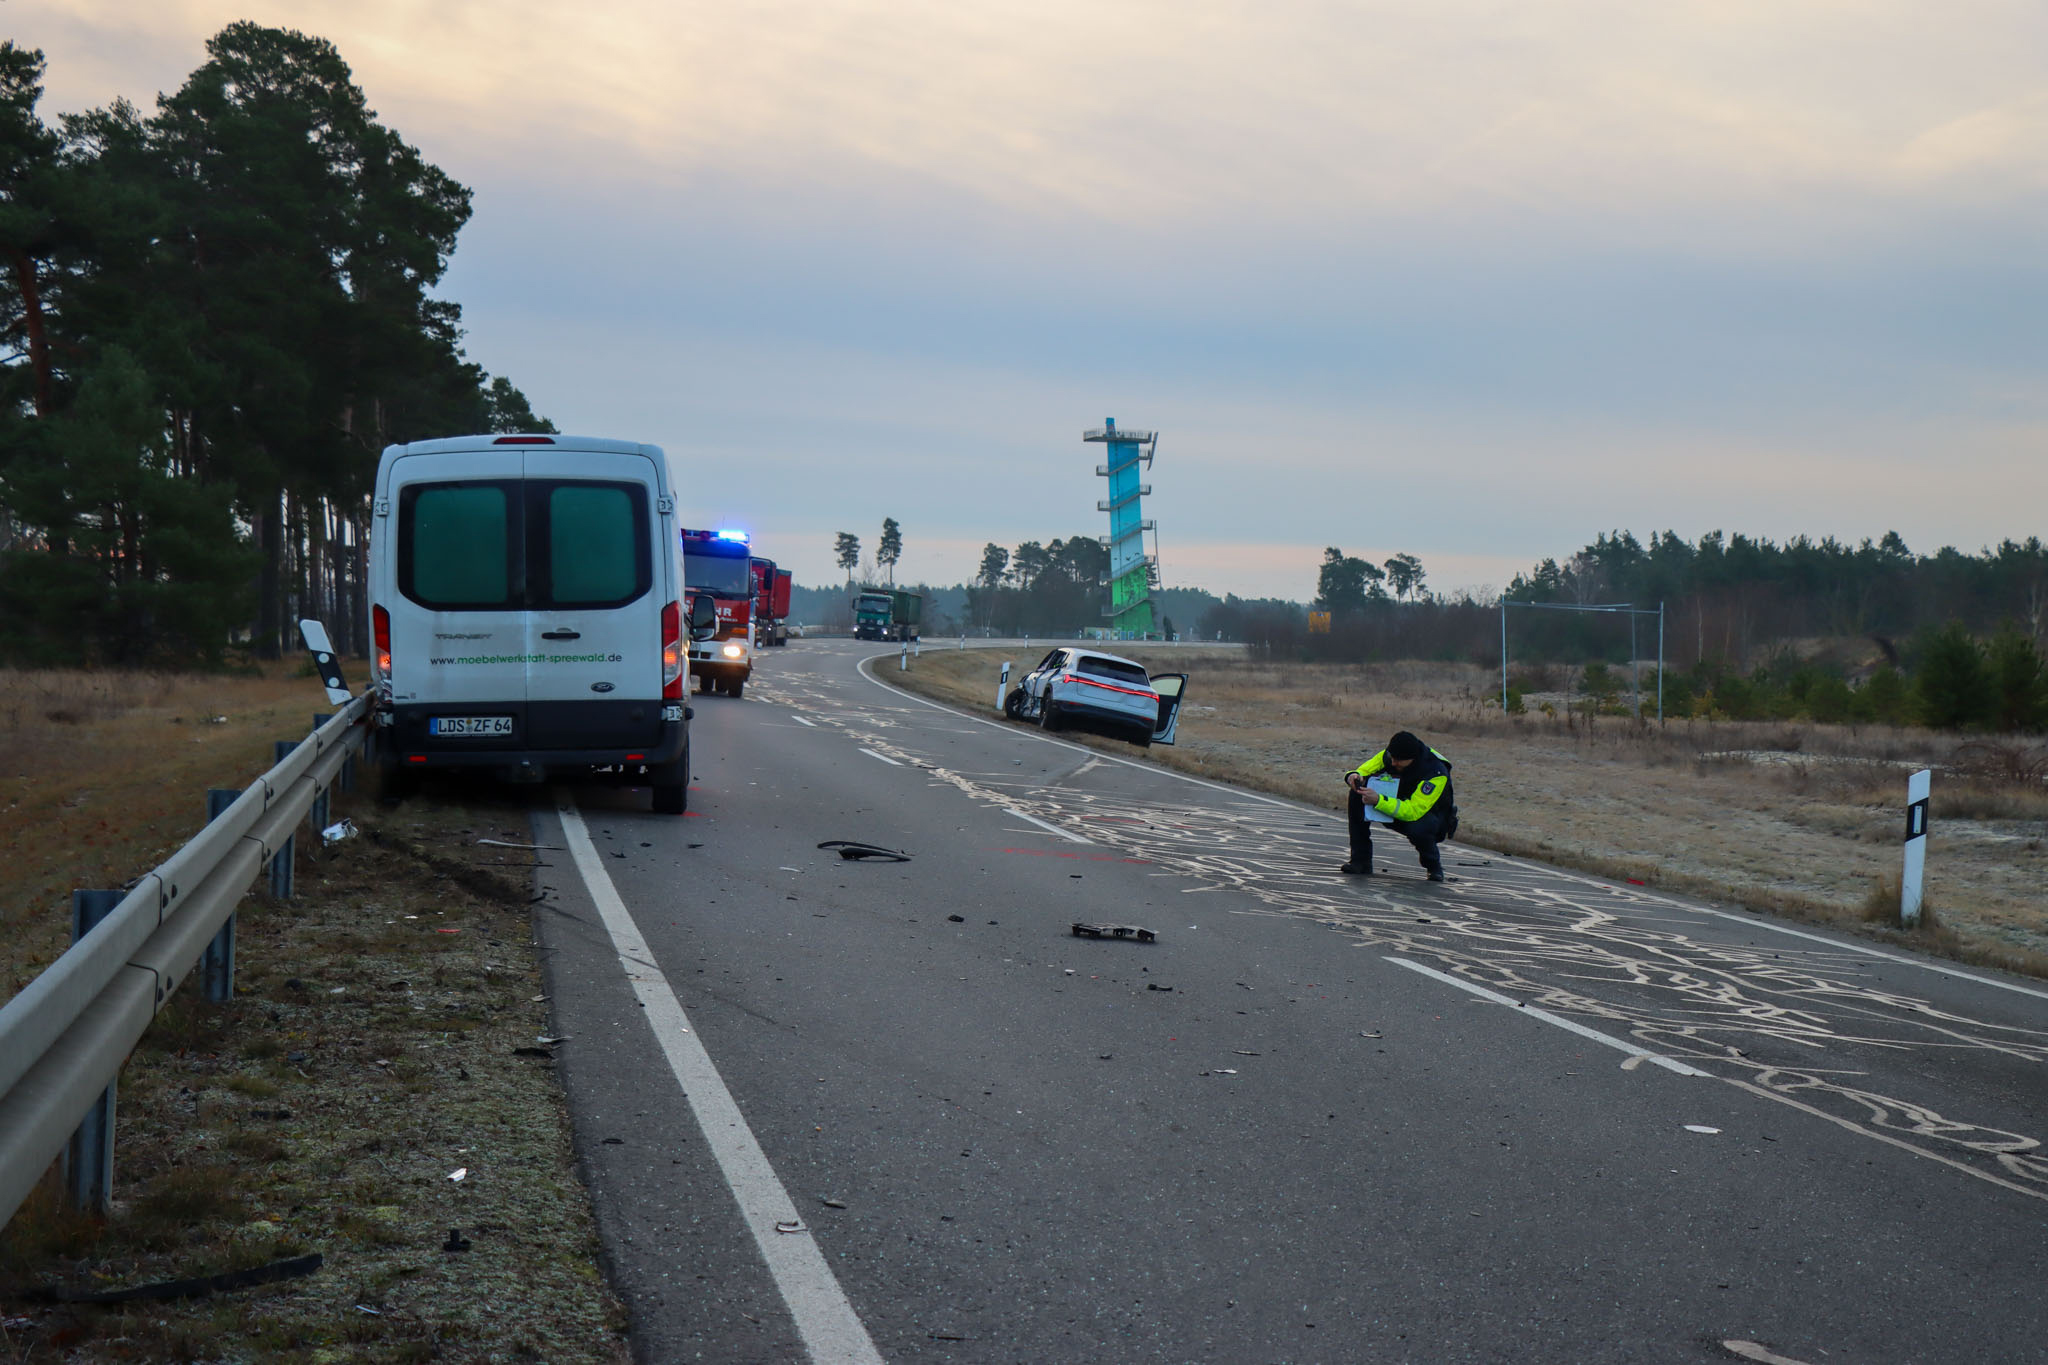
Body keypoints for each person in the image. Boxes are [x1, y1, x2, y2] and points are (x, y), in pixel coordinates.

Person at [1341, 730, 1458, 881]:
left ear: (1412, 759)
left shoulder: (1436, 772)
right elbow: (1364, 769)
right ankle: (1360, 861)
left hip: (1430, 818)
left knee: (1419, 828)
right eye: (1392, 758)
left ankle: (1433, 866)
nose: (1393, 763)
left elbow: (1413, 811)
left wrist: (1378, 801)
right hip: (1396, 804)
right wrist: (1354, 776)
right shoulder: (1391, 755)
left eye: (1399, 761)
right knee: (1357, 794)